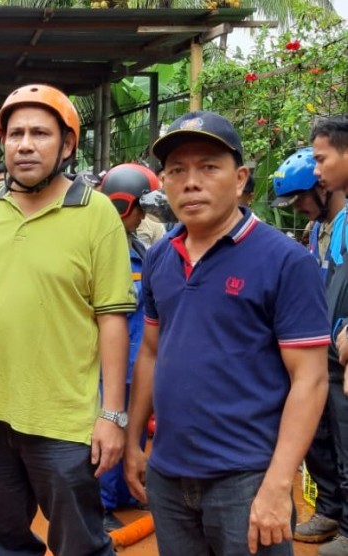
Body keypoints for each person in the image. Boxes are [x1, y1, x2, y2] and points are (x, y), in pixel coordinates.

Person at [0, 84, 135, 555]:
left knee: (81, 544)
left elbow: (113, 318)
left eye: (40, 133)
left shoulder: (96, 213)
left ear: (67, 145)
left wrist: (112, 414)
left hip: (62, 418)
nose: (25, 143)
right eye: (15, 133)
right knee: (1, 542)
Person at [124, 111, 330, 556]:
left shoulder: (284, 262)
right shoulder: (161, 257)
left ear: (239, 180)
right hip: (169, 474)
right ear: (163, 181)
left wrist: (278, 485)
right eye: (177, 170)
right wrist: (134, 442)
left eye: (208, 167)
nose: (190, 182)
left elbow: (310, 380)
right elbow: (151, 352)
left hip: (247, 480)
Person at [270, 146, 348, 553]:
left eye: (300, 198)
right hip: (320, 351)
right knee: (317, 436)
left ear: (321, 188)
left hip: (343, 350)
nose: (297, 207)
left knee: (346, 436)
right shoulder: (318, 229)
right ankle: (330, 509)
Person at [97, 163, 159, 532]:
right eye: (141, 208)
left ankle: (126, 492)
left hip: (141, 359)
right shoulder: (103, 246)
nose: (145, 216)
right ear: (125, 205)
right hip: (112, 361)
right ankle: (101, 502)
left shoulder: (140, 246)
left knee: (134, 430)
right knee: (110, 429)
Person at [312, 115, 348, 556]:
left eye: (322, 159)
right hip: (334, 345)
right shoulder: (341, 220)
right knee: (335, 430)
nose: (318, 170)